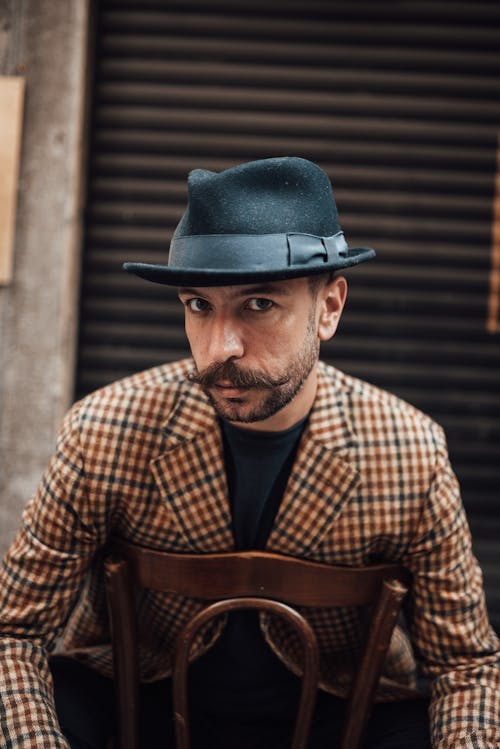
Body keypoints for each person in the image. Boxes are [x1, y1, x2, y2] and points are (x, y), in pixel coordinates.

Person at [0, 157, 498, 749]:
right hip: (141, 705)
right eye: (198, 305)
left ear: (329, 308)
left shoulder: (410, 452)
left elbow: (466, 667)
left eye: (259, 304)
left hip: (336, 719)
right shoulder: (105, 430)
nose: (219, 347)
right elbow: (15, 632)